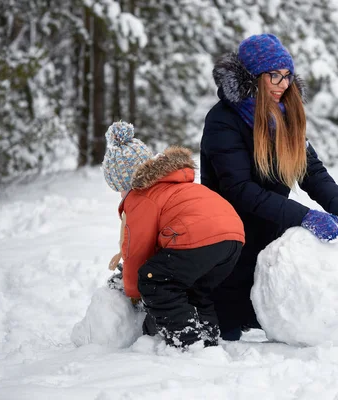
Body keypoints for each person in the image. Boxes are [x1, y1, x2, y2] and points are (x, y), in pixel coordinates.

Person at [200, 33, 338, 341]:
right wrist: (304, 216)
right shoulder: (223, 121)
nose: (283, 84)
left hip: (269, 236)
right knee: (226, 337)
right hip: (229, 244)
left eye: (287, 76)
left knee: (276, 324)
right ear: (254, 77)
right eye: (274, 76)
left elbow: (311, 171)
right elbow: (238, 188)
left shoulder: (283, 116)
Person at [102, 121, 245, 348]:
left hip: (199, 238)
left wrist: (133, 290)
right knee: (197, 289)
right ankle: (208, 340)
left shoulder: (141, 197)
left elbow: (138, 250)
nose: (120, 194)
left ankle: (188, 342)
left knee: (155, 279)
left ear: (127, 182)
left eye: (119, 188)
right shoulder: (176, 184)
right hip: (233, 237)